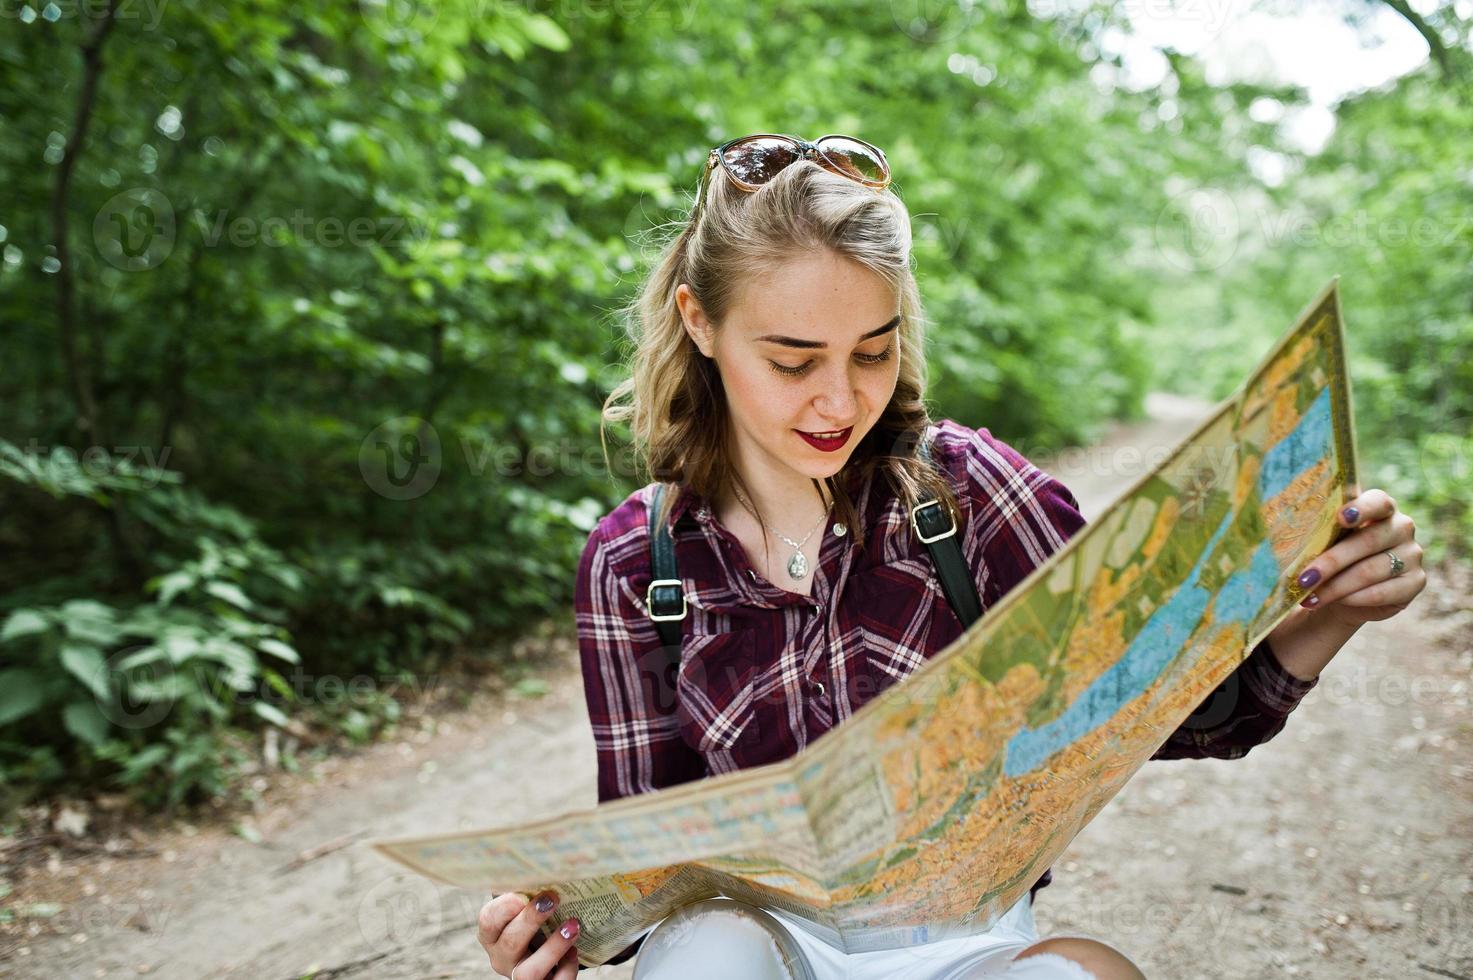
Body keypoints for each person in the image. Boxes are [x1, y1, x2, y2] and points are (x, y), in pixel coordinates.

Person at [476, 134, 1428, 980]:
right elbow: (648, 889)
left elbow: (1181, 716)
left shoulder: (971, 495)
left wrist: (1333, 607)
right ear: (698, 321)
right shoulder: (633, 564)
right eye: (794, 360)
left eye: (872, 352)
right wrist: (551, 936)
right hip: (748, 948)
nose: (840, 403)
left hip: (963, 941)